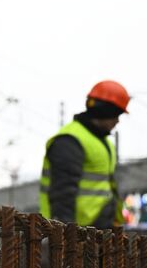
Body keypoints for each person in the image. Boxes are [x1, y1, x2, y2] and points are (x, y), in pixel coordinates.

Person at [39, 81, 128, 226]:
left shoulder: (104, 143)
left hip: (95, 232)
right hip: (77, 233)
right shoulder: (70, 140)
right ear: (105, 111)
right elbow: (62, 194)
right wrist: (65, 236)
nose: (117, 121)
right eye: (116, 114)